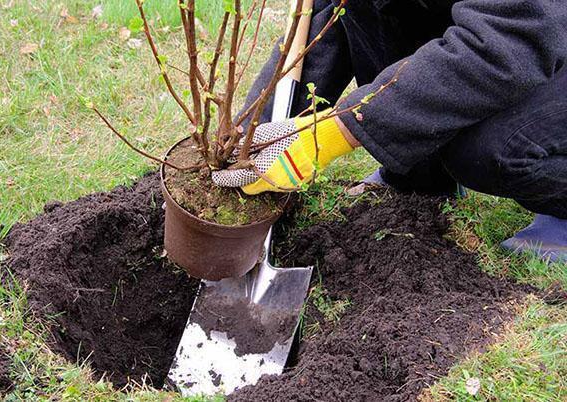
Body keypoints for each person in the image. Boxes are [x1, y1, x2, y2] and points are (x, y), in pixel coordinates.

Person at [212, 0, 567, 263]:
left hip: (536, 31)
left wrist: (340, 130)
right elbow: (328, 20)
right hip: (515, 31)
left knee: (486, 151)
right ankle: (421, 173)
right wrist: (254, 135)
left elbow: (511, 38)